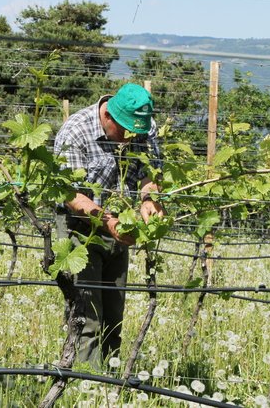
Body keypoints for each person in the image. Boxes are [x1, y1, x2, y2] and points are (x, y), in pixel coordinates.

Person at [53, 83, 165, 368]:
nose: (130, 138)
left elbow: (148, 171)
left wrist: (148, 198)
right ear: (108, 117)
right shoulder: (76, 131)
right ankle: (85, 382)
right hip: (82, 228)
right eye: (125, 131)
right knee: (88, 316)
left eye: (136, 133)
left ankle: (110, 378)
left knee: (114, 314)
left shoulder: (143, 128)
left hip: (119, 226)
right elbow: (70, 194)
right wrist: (108, 221)